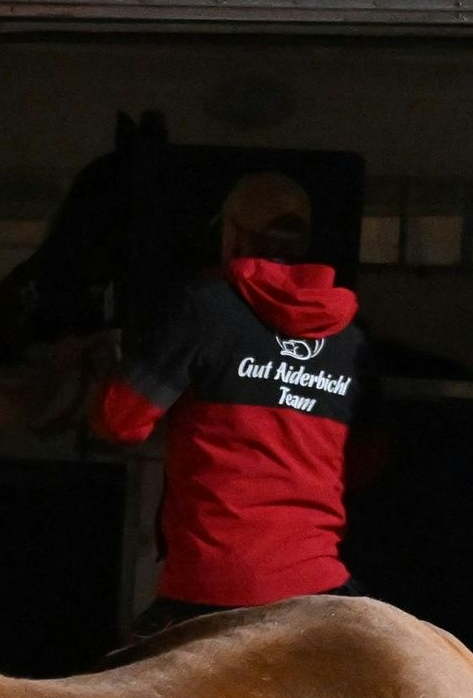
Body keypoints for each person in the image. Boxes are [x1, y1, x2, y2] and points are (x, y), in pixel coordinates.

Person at [89, 170, 365, 640]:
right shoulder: (351, 337)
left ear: (232, 236)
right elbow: (363, 459)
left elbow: (119, 422)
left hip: (210, 584)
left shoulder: (203, 308)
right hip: (320, 582)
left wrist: (102, 367)